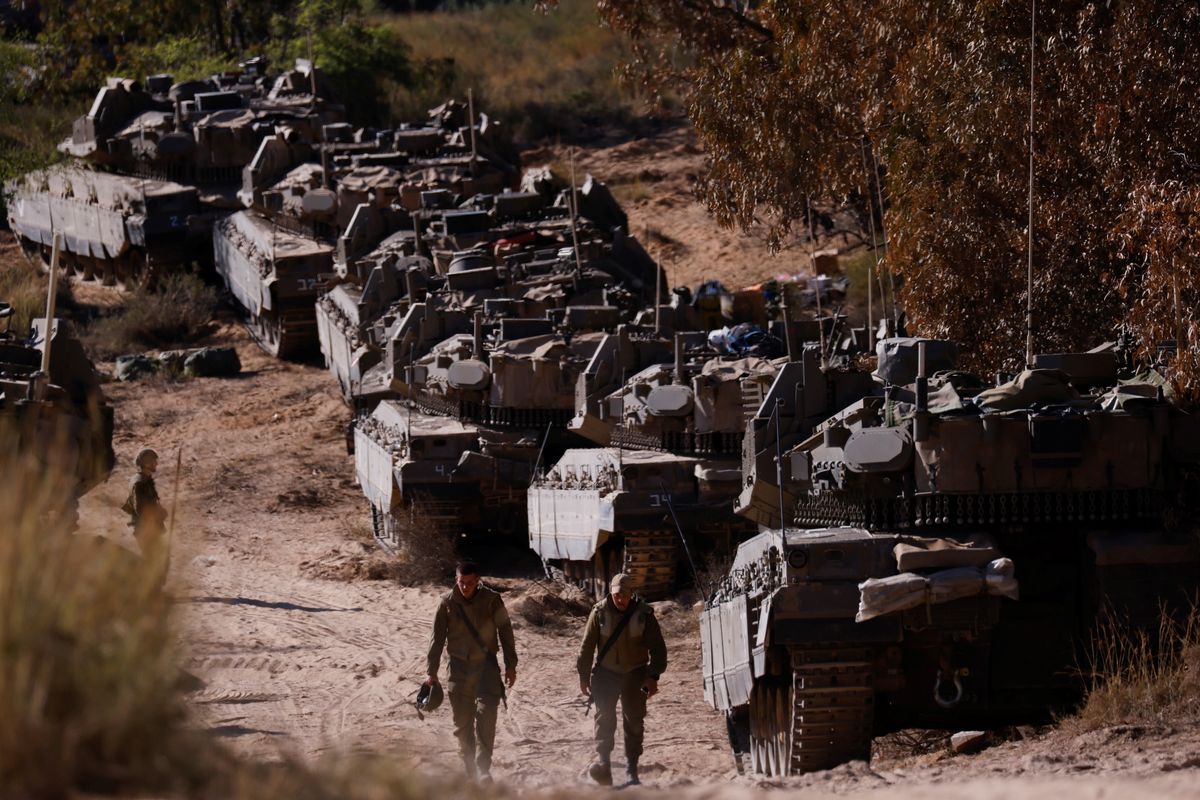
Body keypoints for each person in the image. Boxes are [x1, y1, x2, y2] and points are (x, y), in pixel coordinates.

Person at [425, 560, 518, 783]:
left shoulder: (492, 600)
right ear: (455, 581)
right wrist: (431, 672)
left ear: (477, 581)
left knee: (487, 716)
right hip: (457, 668)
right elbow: (436, 640)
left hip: (486, 667)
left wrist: (510, 664)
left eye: (469, 583)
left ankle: (483, 768)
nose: (464, 587)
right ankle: (470, 772)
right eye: (460, 583)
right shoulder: (446, 603)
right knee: (463, 724)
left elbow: (506, 632)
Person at [577, 573, 668, 786]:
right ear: (611, 592)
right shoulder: (599, 613)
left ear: (631, 594)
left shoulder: (644, 614)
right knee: (604, 718)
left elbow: (658, 649)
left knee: (634, 721)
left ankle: (631, 770)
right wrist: (583, 675)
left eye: (625, 595)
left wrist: (652, 676)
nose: (621, 599)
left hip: (635, 674)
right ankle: (604, 765)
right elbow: (587, 647)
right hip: (606, 674)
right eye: (617, 595)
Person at [122, 447, 166, 551]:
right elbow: (141, 509)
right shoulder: (140, 482)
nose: (156, 464)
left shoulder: (143, 479)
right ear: (147, 463)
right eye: (154, 461)